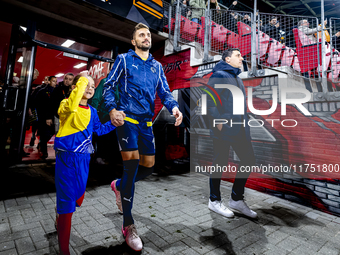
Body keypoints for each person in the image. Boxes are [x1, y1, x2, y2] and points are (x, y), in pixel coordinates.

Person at [103, 23, 183, 251]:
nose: (146, 37)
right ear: (133, 41)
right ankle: (128, 225)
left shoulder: (157, 66)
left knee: (148, 166)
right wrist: (112, 109)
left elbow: (165, 92)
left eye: (148, 35)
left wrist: (174, 107)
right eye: (141, 35)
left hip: (147, 124)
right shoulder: (124, 60)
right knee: (132, 166)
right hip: (127, 121)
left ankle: (119, 186)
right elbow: (108, 86)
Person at [54, 71, 116, 255]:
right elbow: (72, 107)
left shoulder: (93, 111)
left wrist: (115, 123)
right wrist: (79, 83)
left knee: (78, 197)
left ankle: (59, 210)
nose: (89, 88)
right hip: (66, 158)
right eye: (84, 84)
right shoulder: (66, 105)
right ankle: (64, 249)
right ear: (75, 87)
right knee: (68, 206)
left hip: (84, 160)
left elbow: (100, 129)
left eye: (92, 85)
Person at [205, 48, 257, 219]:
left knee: (248, 159)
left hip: (240, 128)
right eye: (238, 56)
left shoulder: (237, 78)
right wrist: (218, 124)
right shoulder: (219, 75)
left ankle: (236, 199)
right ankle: (214, 201)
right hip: (224, 128)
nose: (242, 58)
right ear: (227, 59)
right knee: (219, 163)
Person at [35, 76, 58, 159]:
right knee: (44, 134)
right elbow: (36, 102)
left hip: (53, 116)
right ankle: (44, 152)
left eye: (56, 81)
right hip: (43, 116)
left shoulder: (57, 91)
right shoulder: (42, 91)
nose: (54, 83)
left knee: (51, 132)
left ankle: (41, 144)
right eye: (53, 81)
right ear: (49, 81)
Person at [28, 76, 49, 146]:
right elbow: (32, 98)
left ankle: (40, 141)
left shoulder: (51, 90)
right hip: (37, 109)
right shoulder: (38, 88)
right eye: (45, 80)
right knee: (35, 124)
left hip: (44, 111)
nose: (46, 81)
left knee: (42, 127)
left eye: (48, 80)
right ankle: (33, 136)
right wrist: (31, 109)